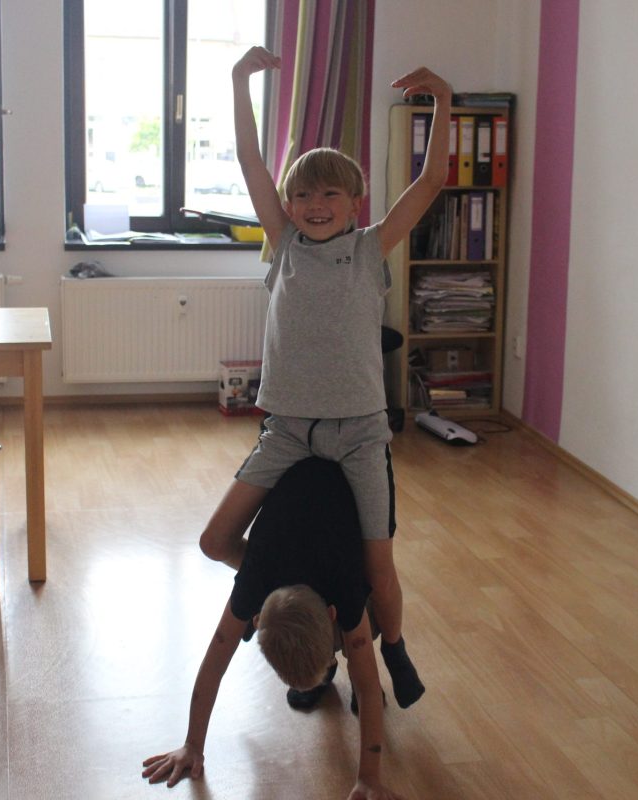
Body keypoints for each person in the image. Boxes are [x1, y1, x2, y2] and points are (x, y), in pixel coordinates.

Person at [198, 45, 452, 714]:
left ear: (353, 201)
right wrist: (238, 81)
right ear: (287, 204)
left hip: (360, 433)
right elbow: (250, 159)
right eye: (302, 194)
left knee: (376, 566)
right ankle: (302, 611)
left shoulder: (369, 248)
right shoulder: (283, 245)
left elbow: (431, 182)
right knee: (216, 541)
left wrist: (442, 101)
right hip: (287, 430)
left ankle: (389, 647)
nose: (315, 204)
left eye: (330, 192)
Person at [143, 458, 401, 800]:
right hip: (296, 499)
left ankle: (392, 648)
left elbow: (368, 688)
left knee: (381, 591)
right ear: (257, 619)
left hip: (358, 468)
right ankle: (329, 661)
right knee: (357, 636)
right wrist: (192, 745)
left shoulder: (347, 586)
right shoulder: (256, 576)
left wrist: (369, 776)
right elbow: (214, 664)